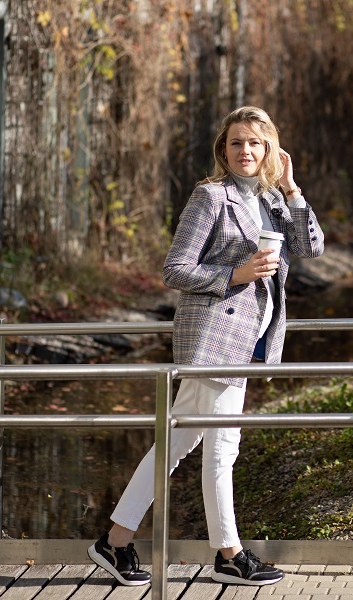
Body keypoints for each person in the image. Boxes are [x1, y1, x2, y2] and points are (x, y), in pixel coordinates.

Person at [87, 106, 325, 587]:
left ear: (269, 149)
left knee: (176, 443)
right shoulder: (210, 197)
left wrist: (293, 187)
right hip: (215, 336)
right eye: (237, 143)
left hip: (251, 338)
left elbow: (312, 246)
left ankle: (113, 542)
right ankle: (230, 555)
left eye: (256, 143)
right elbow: (174, 269)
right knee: (221, 450)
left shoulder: (272, 198)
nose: (246, 152)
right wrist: (234, 275)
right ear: (224, 149)